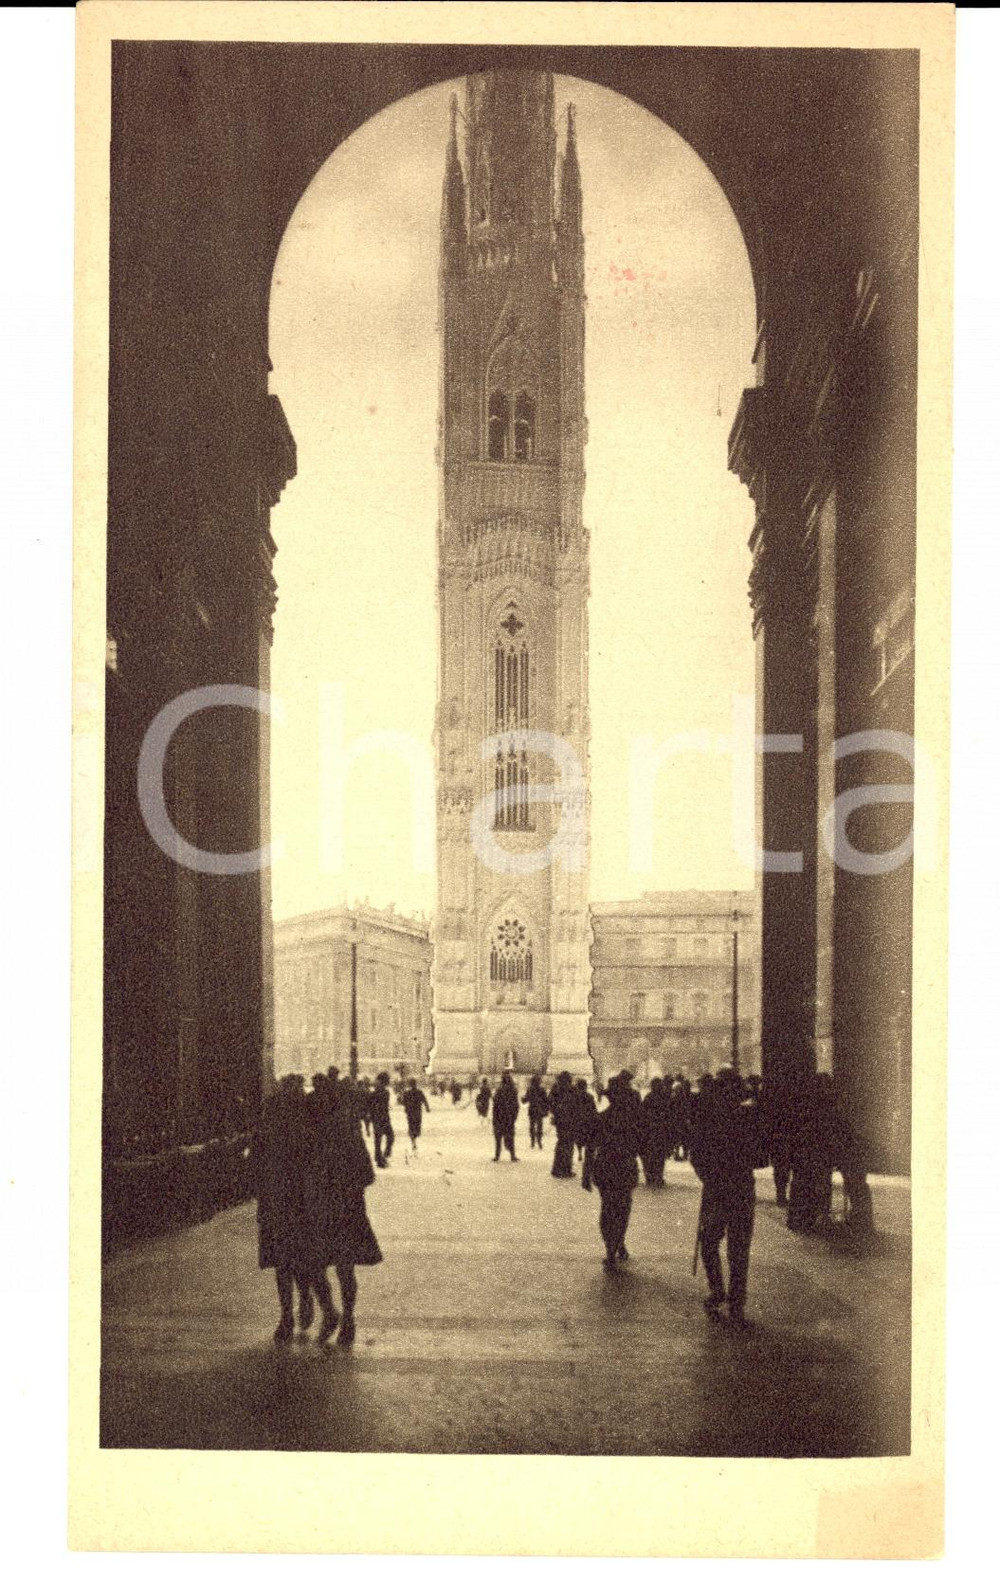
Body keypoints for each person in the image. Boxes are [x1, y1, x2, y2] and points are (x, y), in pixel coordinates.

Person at [253, 1074, 339, 1344]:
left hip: (285, 1202)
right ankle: (312, 1309)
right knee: (306, 1263)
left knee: (285, 1263)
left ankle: (290, 1315)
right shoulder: (308, 1130)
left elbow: (257, 1164)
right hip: (299, 1204)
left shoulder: (275, 1130)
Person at [307, 1074, 382, 1346]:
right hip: (347, 1211)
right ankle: (346, 1317)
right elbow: (368, 1176)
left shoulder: (316, 1138)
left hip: (325, 1209)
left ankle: (331, 1312)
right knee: (344, 1269)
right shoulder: (349, 1136)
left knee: (316, 1265)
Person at [690, 1065, 760, 1329]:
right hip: (741, 1187)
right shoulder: (749, 1117)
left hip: (718, 1189)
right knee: (738, 1249)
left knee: (709, 1241)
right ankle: (736, 1302)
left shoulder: (710, 1117)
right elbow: (760, 1154)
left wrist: (707, 1176)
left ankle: (718, 1290)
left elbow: (697, 1153)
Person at [582, 1070, 644, 1270]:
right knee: (622, 1208)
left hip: (605, 1168)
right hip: (625, 1167)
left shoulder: (602, 1118)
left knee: (608, 1209)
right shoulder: (633, 1121)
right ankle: (617, 1243)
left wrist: (586, 1173)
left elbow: (590, 1147)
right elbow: (642, 1146)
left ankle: (612, 1248)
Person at [641, 1076, 672, 1187]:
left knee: (653, 1155)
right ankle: (657, 1176)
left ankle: (652, 1176)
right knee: (658, 1155)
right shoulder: (663, 1097)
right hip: (658, 1130)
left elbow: (643, 1113)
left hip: (653, 1131)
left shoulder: (649, 1097)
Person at [548, 1071, 578, 1178]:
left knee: (561, 1143)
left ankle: (556, 1169)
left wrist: (555, 1112)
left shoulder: (555, 1088)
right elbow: (577, 1105)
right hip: (570, 1121)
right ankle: (566, 1169)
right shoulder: (572, 1089)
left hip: (559, 1120)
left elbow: (549, 1102)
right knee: (569, 1145)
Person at [491, 1071, 520, 1161]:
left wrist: (494, 1118)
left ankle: (497, 1155)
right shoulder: (513, 1090)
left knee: (498, 1138)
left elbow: (495, 1105)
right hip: (509, 1117)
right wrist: (514, 1116)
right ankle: (512, 1155)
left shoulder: (499, 1090)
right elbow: (516, 1106)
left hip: (499, 1117)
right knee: (510, 1136)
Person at [370, 1071, 395, 1168]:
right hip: (382, 1118)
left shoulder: (377, 1092)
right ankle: (382, 1157)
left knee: (379, 1140)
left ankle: (380, 1158)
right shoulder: (383, 1092)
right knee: (389, 1137)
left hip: (379, 1118)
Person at [400, 1077, 430, 1153]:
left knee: (411, 1126)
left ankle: (413, 1140)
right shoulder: (419, 1092)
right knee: (417, 1125)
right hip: (417, 1112)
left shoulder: (407, 1093)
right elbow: (424, 1100)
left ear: (410, 1084)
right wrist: (427, 1108)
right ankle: (414, 1139)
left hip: (410, 1113)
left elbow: (403, 1102)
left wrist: (406, 1106)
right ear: (415, 1084)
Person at [574, 1078, 598, 1163]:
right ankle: (587, 1154)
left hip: (577, 1120)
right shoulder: (589, 1096)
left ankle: (580, 1152)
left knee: (578, 1138)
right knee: (588, 1137)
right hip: (587, 1120)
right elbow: (593, 1109)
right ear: (585, 1086)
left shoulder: (574, 1096)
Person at [524, 1074, 549, 1149]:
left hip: (532, 1110)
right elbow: (546, 1100)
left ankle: (532, 1142)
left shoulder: (530, 1089)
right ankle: (539, 1141)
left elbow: (526, 1099)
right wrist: (546, 1110)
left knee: (532, 1126)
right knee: (539, 1127)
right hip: (540, 1110)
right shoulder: (542, 1089)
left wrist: (523, 1099)